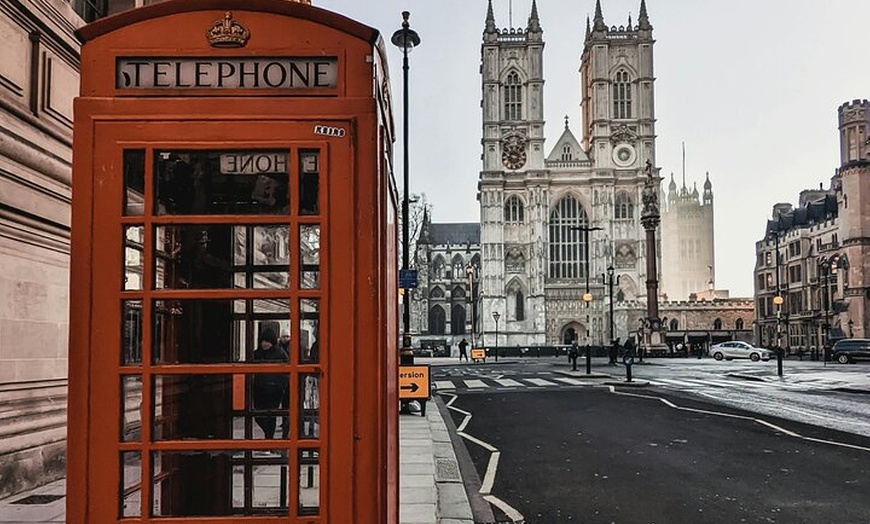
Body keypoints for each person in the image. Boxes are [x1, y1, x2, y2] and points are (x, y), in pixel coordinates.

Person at [253, 327, 289, 439]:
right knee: (258, 415)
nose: (264, 344)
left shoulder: (280, 353)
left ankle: (269, 439)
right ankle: (268, 439)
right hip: (259, 388)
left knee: (271, 415)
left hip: (275, 390)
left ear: (272, 342)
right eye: (263, 341)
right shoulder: (257, 353)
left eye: (267, 341)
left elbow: (286, 372)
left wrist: (281, 386)